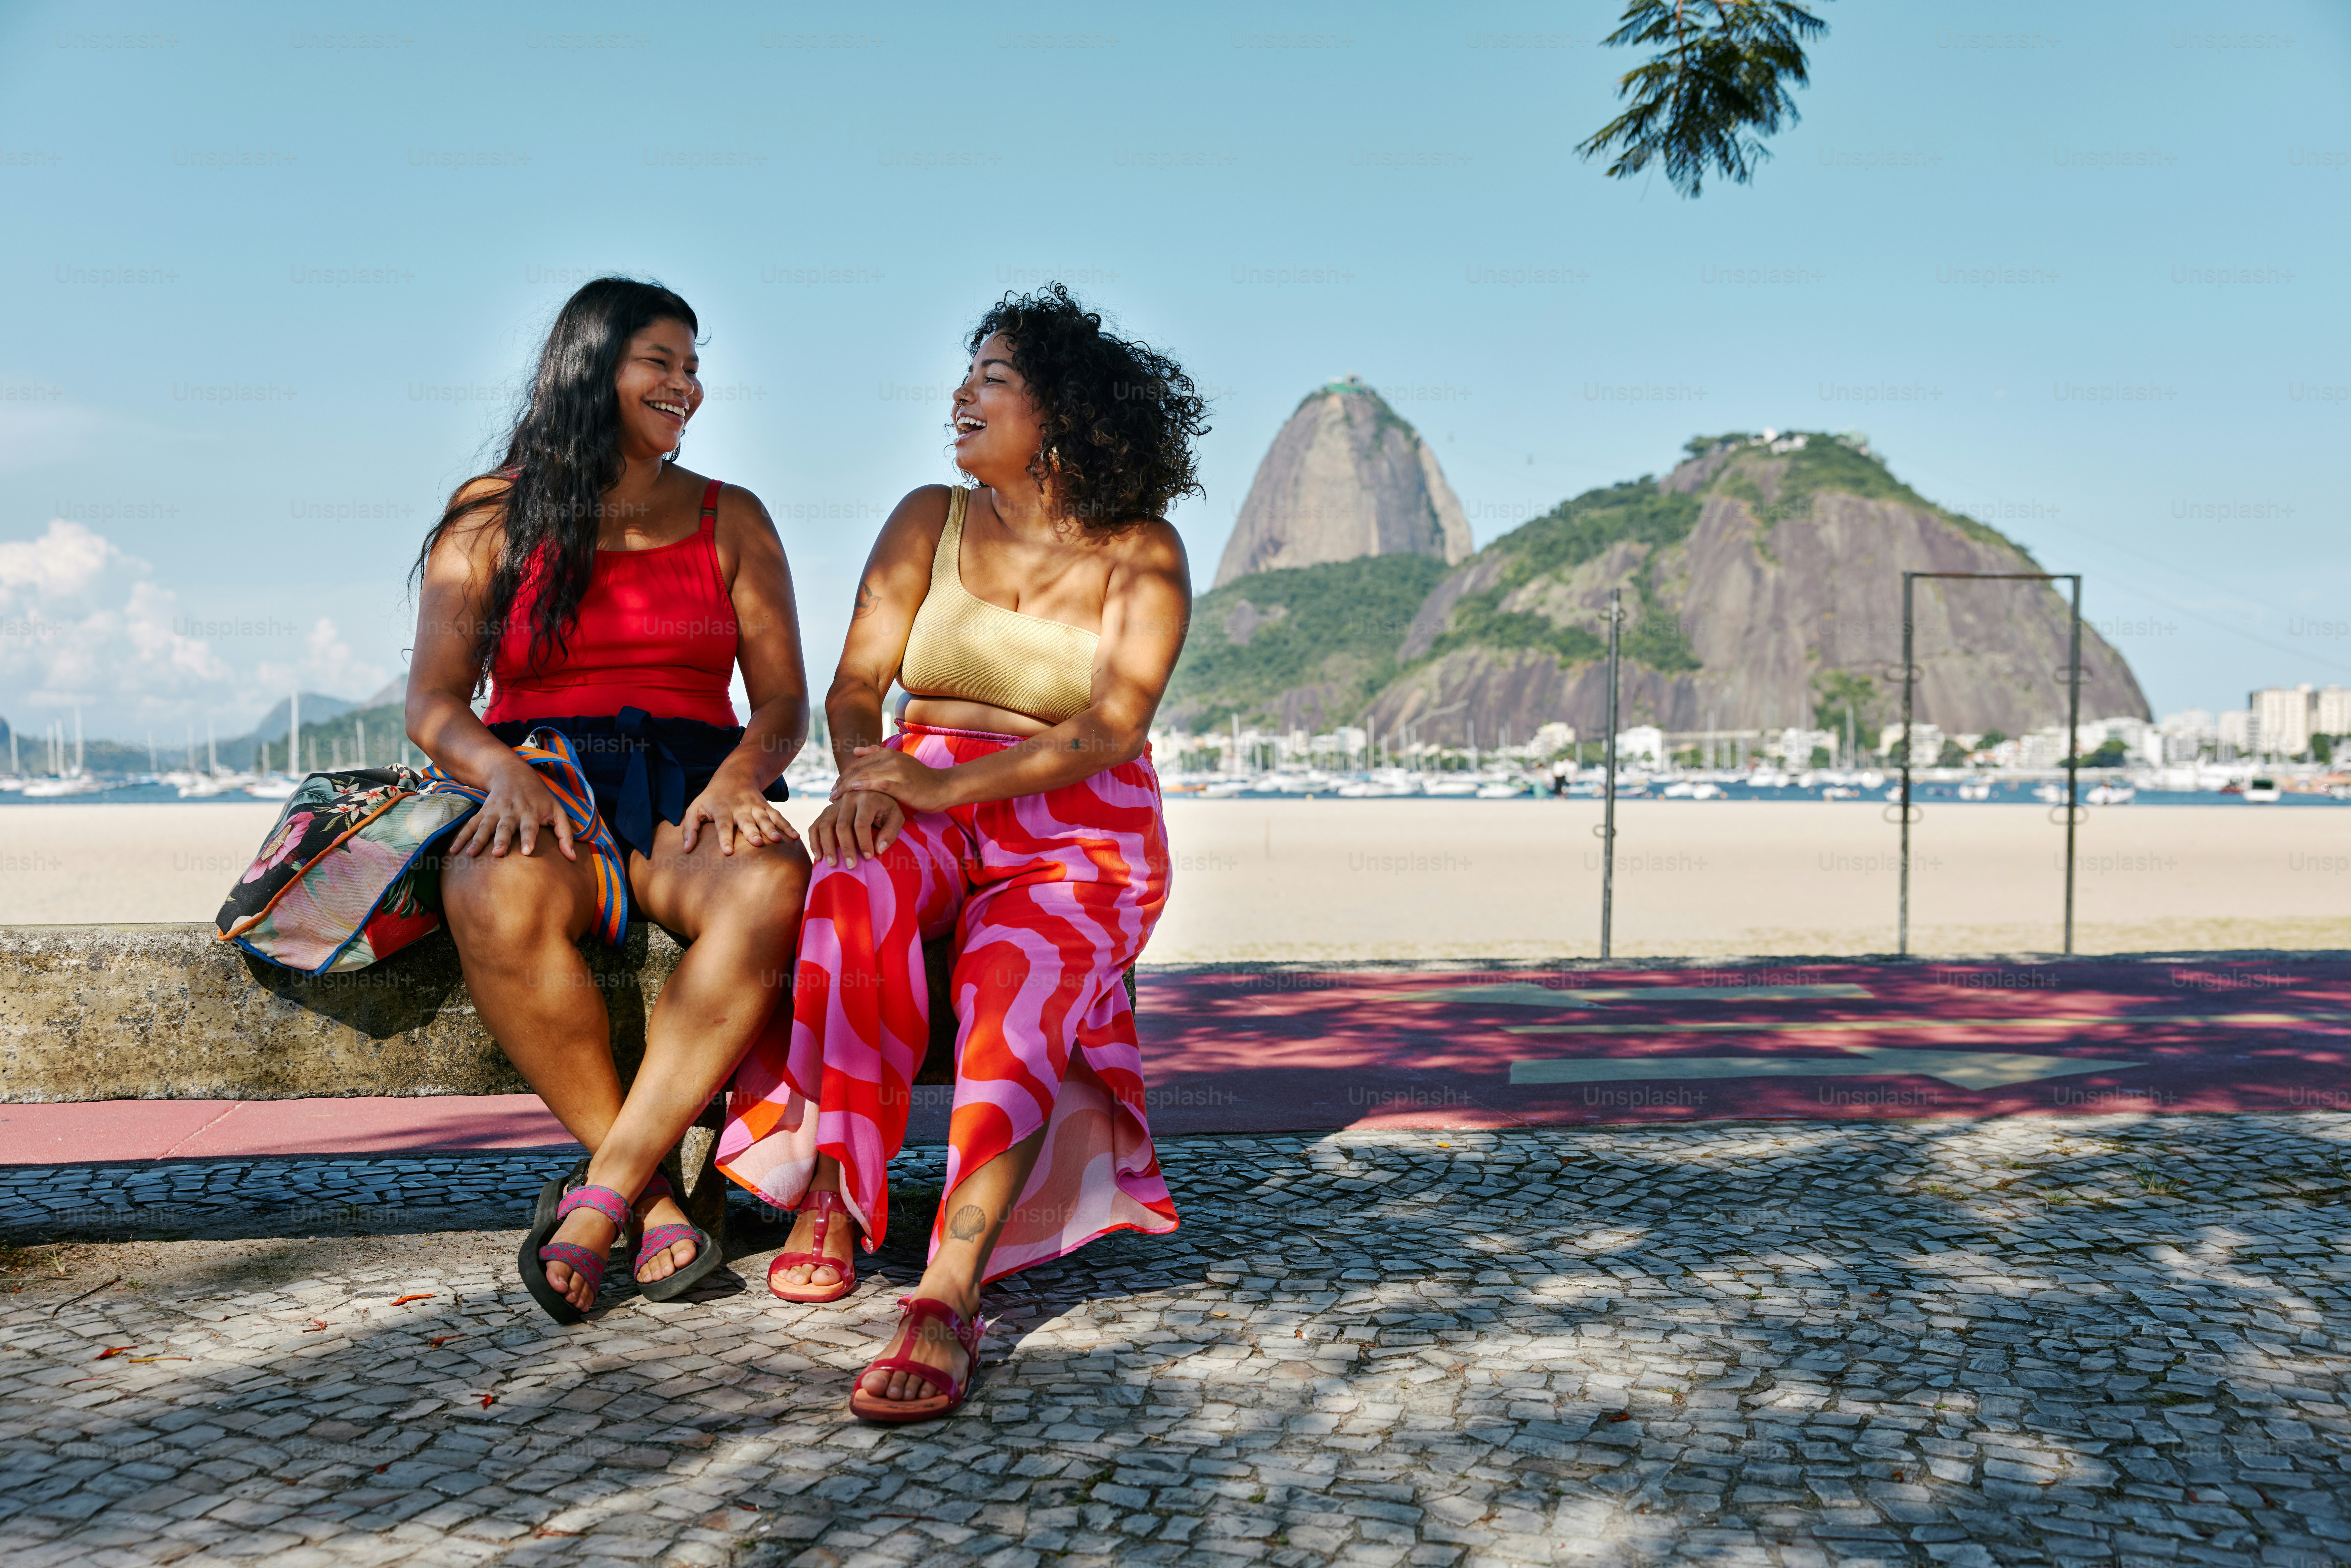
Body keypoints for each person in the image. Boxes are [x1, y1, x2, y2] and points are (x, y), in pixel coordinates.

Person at [717, 283, 1205, 1422]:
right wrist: (863, 780)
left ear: (1065, 413)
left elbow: (1111, 727)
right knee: (847, 888)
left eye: (991, 378)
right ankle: (833, 1190)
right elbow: (852, 689)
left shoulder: (1145, 549)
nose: (961, 395)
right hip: (920, 792)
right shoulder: (926, 516)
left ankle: (946, 1289)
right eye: (968, 374)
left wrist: (945, 784)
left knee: (1015, 990)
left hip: (1076, 823)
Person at [406, 277, 812, 1321]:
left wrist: (737, 781)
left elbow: (783, 706)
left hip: (696, 778)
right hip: (551, 778)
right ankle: (656, 1192)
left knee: (772, 884)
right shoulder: (492, 512)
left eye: (694, 367)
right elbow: (436, 704)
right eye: (661, 363)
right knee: (489, 889)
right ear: (593, 367)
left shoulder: (733, 515)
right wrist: (500, 770)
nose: (688, 386)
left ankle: (598, 1202)